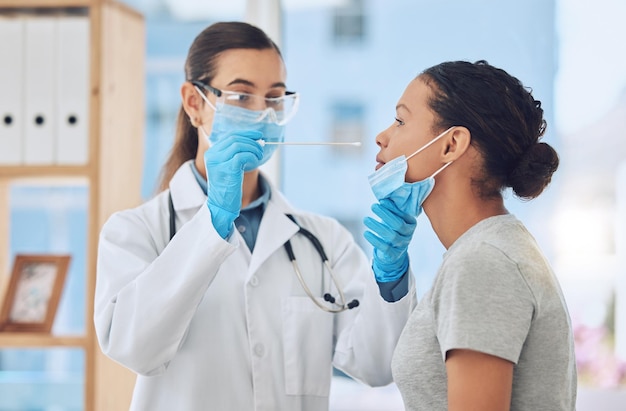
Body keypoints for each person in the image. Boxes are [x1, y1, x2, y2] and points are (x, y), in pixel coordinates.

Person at [93, 21, 415, 411]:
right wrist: (212, 223)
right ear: (195, 104)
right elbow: (134, 348)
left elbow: (376, 365)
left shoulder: (322, 239)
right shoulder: (136, 232)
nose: (262, 115)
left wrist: (391, 275)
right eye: (242, 97)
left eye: (274, 99)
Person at [363, 60, 577, 410]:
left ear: (451, 145)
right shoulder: (488, 251)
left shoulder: (484, 262)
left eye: (401, 120)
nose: (382, 136)